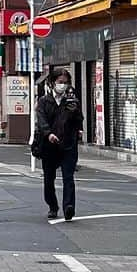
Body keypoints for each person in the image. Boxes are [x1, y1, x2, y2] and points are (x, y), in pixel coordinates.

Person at [32, 68, 84, 222]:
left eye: (66, 83)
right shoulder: (44, 101)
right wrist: (49, 134)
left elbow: (79, 118)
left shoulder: (72, 101)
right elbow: (41, 121)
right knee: (49, 178)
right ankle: (52, 206)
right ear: (52, 83)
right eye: (60, 82)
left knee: (69, 177)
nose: (63, 85)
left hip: (68, 144)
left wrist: (79, 129)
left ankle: (69, 207)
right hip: (49, 145)